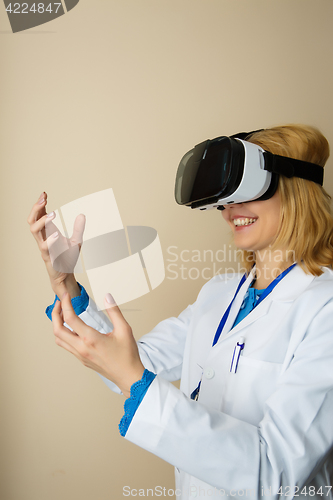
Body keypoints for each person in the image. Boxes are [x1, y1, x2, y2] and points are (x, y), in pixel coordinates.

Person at [28, 125, 333, 499]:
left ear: (296, 191)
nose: (229, 211)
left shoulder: (324, 307)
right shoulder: (218, 294)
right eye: (225, 199)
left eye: (246, 191)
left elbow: (277, 474)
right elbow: (133, 364)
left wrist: (131, 375)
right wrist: (66, 284)